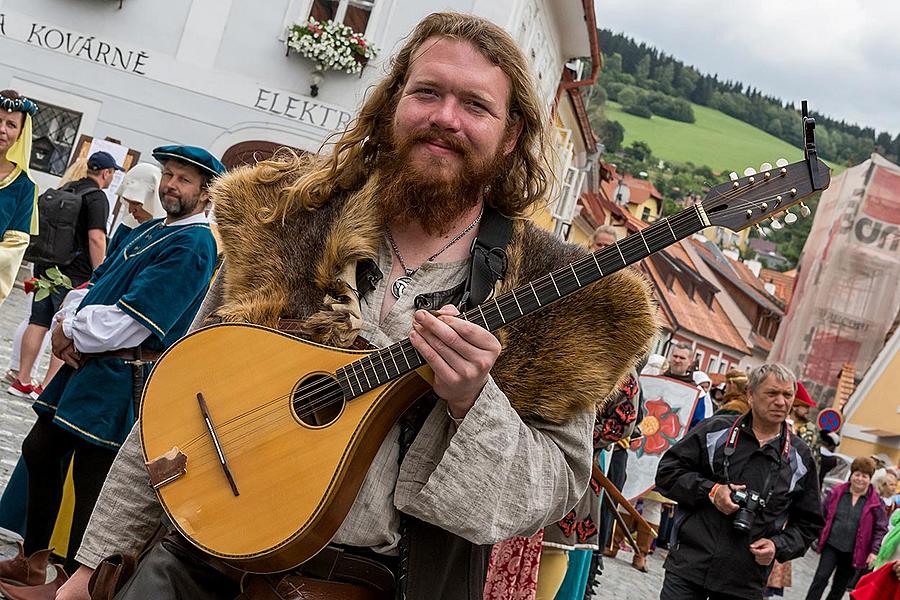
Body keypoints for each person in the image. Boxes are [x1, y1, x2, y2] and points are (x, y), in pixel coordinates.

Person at [56, 13, 658, 600]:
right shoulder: (286, 221)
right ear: (393, 105)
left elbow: (551, 487)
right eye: (427, 92)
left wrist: (476, 403)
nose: (445, 118)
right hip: (193, 564)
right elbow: (179, 399)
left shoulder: (558, 290)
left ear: (510, 139)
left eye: (475, 105)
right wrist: (95, 565)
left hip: (375, 584)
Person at [17, 145, 223, 580]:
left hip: (120, 373)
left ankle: (78, 584)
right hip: (88, 365)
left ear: (206, 192)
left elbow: (134, 320)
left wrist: (70, 331)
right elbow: (96, 282)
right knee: (40, 450)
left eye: (184, 179)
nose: (170, 185)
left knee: (96, 485)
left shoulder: (194, 244)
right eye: (168, 174)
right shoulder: (155, 228)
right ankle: (34, 562)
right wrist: (63, 322)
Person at [655, 363, 824, 600]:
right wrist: (712, 491)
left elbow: (810, 523)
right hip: (689, 565)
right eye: (772, 393)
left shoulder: (800, 456)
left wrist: (778, 546)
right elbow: (667, 473)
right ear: (750, 395)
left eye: (787, 395)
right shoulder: (716, 430)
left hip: (744, 581)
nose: (780, 402)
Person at [8, 151, 123, 399]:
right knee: (64, 325)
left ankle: (22, 379)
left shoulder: (68, 187)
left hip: (46, 265)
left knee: (37, 322)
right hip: (74, 272)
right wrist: (100, 271)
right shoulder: (97, 198)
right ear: (106, 173)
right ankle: (46, 386)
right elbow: (96, 237)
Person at [806, 457, 888, 600]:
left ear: (870, 478)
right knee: (820, 578)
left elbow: (880, 528)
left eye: (864, 476)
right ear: (851, 475)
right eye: (857, 474)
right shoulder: (837, 492)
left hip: (854, 551)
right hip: (831, 545)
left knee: (839, 586)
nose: (860, 479)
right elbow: (822, 515)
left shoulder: (875, 503)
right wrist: (816, 534)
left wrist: (874, 551)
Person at [0, 89, 38, 307]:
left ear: (21, 132)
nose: (2, 129)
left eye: (11, 125)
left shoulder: (24, 186)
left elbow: (14, 246)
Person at [116, 162, 164, 228]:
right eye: (128, 203)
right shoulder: (125, 228)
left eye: (136, 203)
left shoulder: (168, 233)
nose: (131, 210)